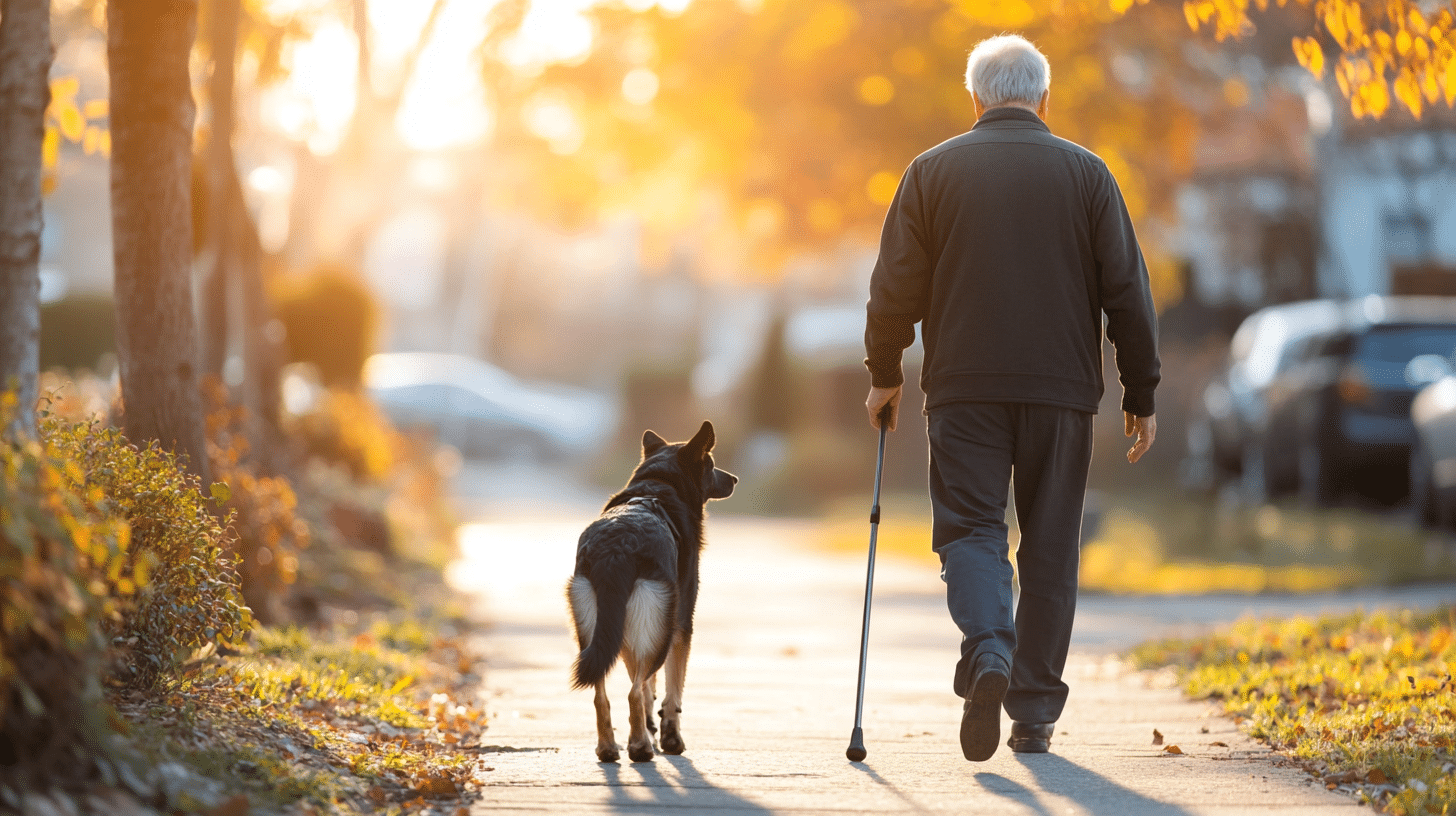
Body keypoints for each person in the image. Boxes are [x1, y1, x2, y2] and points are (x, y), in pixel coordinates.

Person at [862, 34, 1160, 762]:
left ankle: (989, 647)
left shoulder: (930, 172)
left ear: (974, 99)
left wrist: (884, 370)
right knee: (1052, 548)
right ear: (1044, 98)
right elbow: (1128, 289)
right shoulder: (1088, 175)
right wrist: (1140, 390)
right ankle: (1033, 716)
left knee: (970, 531)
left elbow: (893, 283)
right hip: (1061, 394)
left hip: (962, 391)